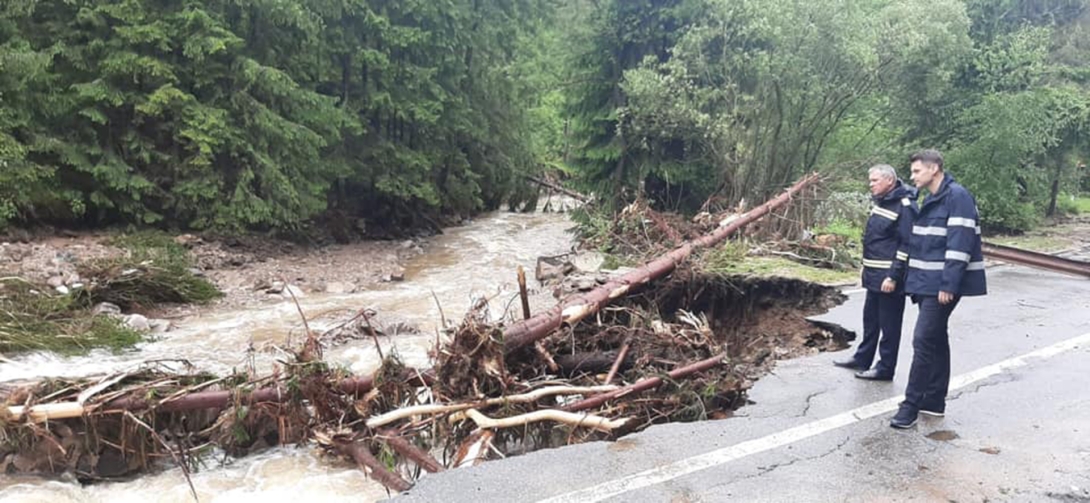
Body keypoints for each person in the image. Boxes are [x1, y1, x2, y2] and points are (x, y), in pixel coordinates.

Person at [890, 149, 987, 429]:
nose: (912, 176)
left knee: (922, 340)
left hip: (941, 286)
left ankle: (910, 406)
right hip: (925, 283)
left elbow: (960, 243)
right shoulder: (930, 198)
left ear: (934, 169)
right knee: (935, 338)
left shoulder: (957, 197)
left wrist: (949, 284)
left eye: (917, 171)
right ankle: (933, 401)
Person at [833, 165, 917, 380]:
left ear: (889, 181)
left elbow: (906, 245)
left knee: (889, 326)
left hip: (889, 277)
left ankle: (885, 368)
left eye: (875, 180)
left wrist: (894, 276)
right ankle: (862, 358)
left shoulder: (904, 206)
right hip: (873, 274)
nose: (871, 184)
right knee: (870, 321)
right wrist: (865, 266)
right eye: (870, 180)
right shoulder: (882, 202)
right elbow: (876, 239)